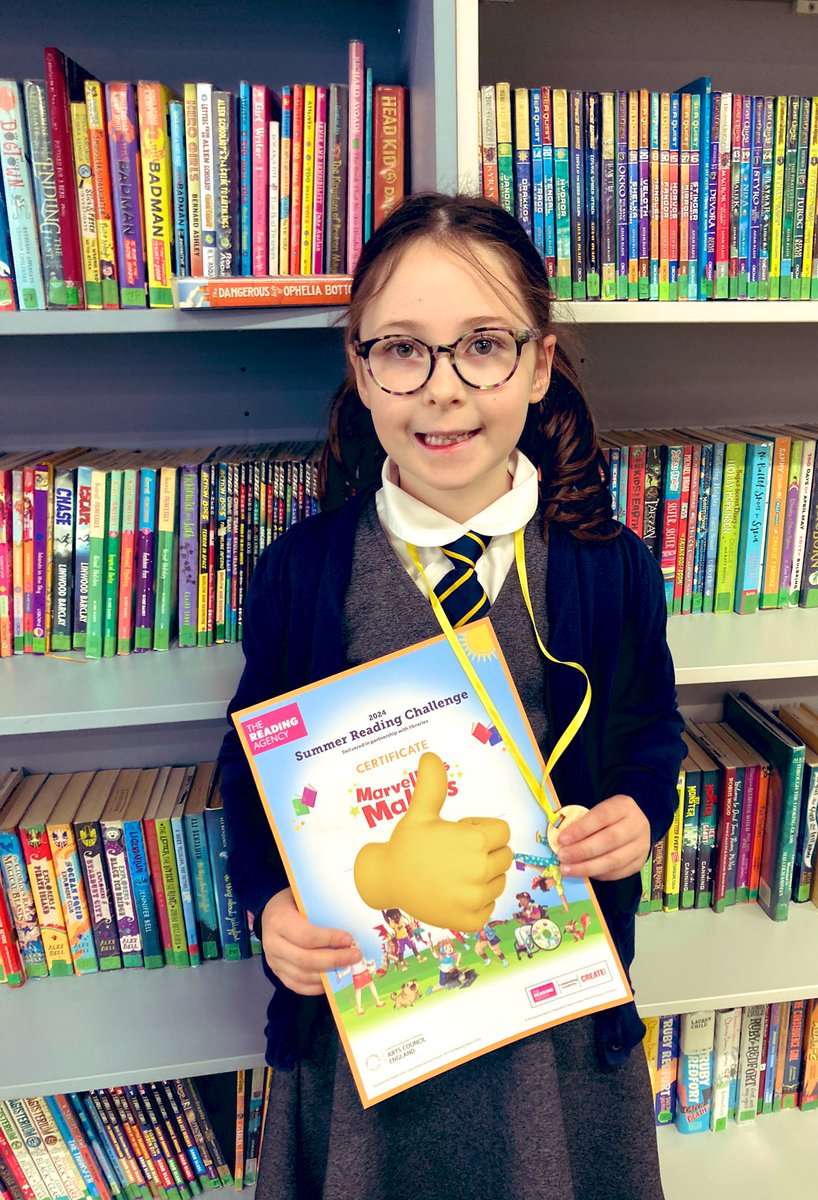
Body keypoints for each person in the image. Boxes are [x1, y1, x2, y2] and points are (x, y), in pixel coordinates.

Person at [218, 192, 685, 1200]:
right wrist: (269, 911)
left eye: (483, 346)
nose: (443, 390)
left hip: (553, 1040)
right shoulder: (302, 575)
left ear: (540, 362)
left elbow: (653, 730)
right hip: (366, 1047)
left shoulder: (611, 571)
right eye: (402, 350)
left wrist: (638, 814)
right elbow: (248, 772)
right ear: (360, 367)